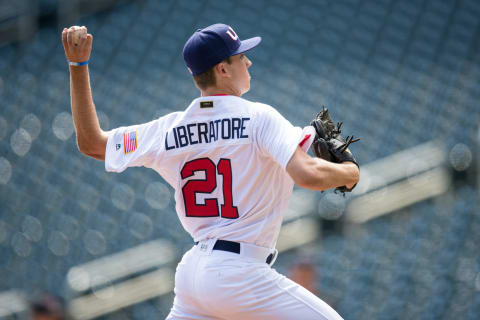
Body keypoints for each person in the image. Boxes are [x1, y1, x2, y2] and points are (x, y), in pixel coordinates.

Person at [62, 23, 358, 320]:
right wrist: (349, 173)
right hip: (240, 276)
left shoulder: (168, 129)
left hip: (194, 277)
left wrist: (78, 65)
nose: (248, 61)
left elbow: (91, 142)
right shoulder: (258, 117)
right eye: (240, 56)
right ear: (223, 70)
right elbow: (307, 174)